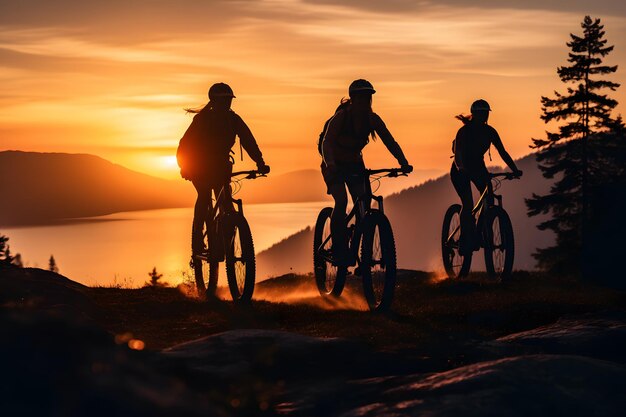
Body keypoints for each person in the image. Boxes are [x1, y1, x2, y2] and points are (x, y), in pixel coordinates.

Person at [321, 79, 412, 265]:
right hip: (334, 164)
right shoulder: (341, 118)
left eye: (368, 98)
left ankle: (360, 244)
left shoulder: (373, 119)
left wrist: (403, 162)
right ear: (353, 99)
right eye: (361, 98)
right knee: (341, 201)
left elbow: (390, 141)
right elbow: (326, 143)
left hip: (354, 164)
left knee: (364, 201)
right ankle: (339, 247)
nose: (365, 102)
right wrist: (330, 163)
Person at [176, 82, 270, 258]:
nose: (227, 104)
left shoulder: (233, 119)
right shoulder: (202, 120)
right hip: (199, 167)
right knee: (204, 196)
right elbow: (184, 145)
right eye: (224, 100)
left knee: (226, 203)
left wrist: (260, 162)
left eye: (229, 100)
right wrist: (185, 167)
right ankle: (198, 242)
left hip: (221, 168)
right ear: (214, 101)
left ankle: (223, 242)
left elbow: (249, 140)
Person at [450, 99, 522, 255]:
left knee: (488, 196)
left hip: (477, 167)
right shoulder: (464, 131)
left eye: (485, 113)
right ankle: (464, 240)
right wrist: (461, 168)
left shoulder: (490, 132)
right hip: (460, 169)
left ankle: (483, 232)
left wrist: (515, 170)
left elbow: (503, 152)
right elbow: (458, 155)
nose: (484, 116)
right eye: (481, 113)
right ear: (474, 114)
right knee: (468, 205)